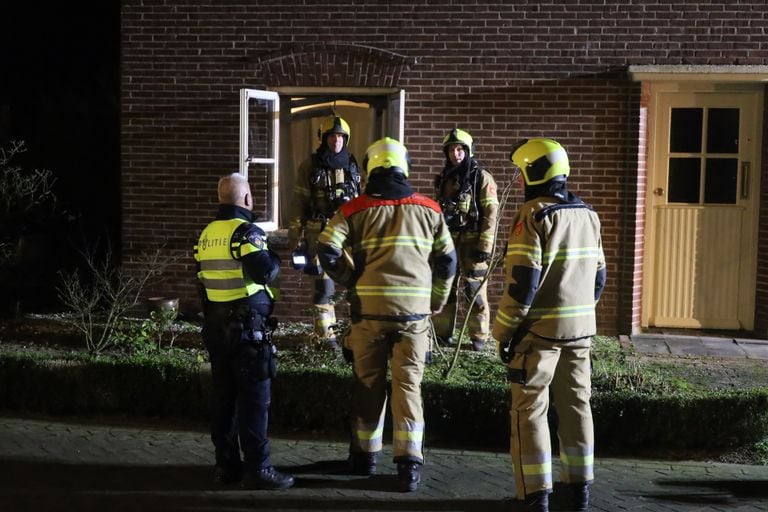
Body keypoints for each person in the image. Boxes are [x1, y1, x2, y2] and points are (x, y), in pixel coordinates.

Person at [317, 137, 457, 492]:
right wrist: (437, 298)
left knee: (368, 385)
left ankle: (364, 457)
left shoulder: (354, 209)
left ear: (369, 168)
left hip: (370, 314)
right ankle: (408, 465)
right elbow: (448, 260)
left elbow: (327, 249)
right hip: (414, 318)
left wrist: (351, 281)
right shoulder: (431, 209)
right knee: (408, 386)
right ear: (404, 166)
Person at [492, 138, 606, 512]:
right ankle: (579, 491)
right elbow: (599, 278)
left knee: (529, 411)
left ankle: (534, 494)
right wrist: (582, 313)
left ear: (531, 172)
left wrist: (503, 331)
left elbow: (522, 283)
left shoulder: (534, 215)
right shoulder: (588, 214)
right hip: (581, 332)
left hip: (539, 335)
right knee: (577, 406)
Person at [193, 173, 295, 490]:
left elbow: (202, 283)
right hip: (247, 331)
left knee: (224, 400)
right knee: (254, 401)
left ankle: (226, 467)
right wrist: (275, 256)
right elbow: (263, 271)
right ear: (247, 199)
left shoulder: (207, 233)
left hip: (217, 327)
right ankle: (258, 469)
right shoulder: (245, 232)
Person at [288, 115, 364, 350]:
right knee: (324, 288)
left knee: (358, 285)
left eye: (341, 136)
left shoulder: (352, 163)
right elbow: (298, 202)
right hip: (319, 235)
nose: (336, 141)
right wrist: (295, 236)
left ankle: (358, 334)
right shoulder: (310, 166)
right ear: (324, 138)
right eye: (332, 136)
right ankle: (325, 336)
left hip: (348, 237)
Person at [432, 128, 499, 351]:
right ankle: (442, 335)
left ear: (468, 151)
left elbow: (491, 213)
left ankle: (479, 338)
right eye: (451, 149)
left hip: (473, 244)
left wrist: (485, 245)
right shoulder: (444, 178)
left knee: (475, 291)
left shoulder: (482, 177)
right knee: (445, 288)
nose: (456, 154)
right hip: (448, 243)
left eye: (460, 149)